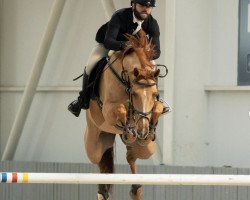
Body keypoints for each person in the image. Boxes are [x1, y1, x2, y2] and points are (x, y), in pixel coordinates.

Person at [68, 0, 167, 117]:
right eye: (142, 5)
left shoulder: (152, 23)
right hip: (111, 44)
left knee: (152, 67)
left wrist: (143, 52)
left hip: (134, 51)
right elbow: (108, 42)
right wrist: (125, 46)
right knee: (91, 64)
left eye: (149, 7)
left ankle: (156, 99)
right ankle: (82, 100)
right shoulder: (120, 16)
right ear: (133, 4)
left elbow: (157, 52)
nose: (146, 9)